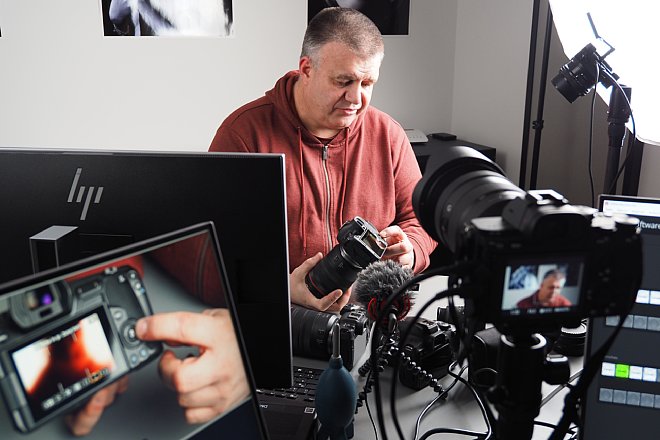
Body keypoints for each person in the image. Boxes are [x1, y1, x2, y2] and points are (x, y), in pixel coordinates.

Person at [209, 7, 436, 313]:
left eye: (367, 84)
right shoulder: (243, 136)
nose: (356, 99)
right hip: (280, 313)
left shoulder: (389, 134)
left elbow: (421, 220)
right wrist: (279, 288)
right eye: (344, 81)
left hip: (367, 316)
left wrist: (410, 251)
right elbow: (210, 249)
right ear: (306, 69)